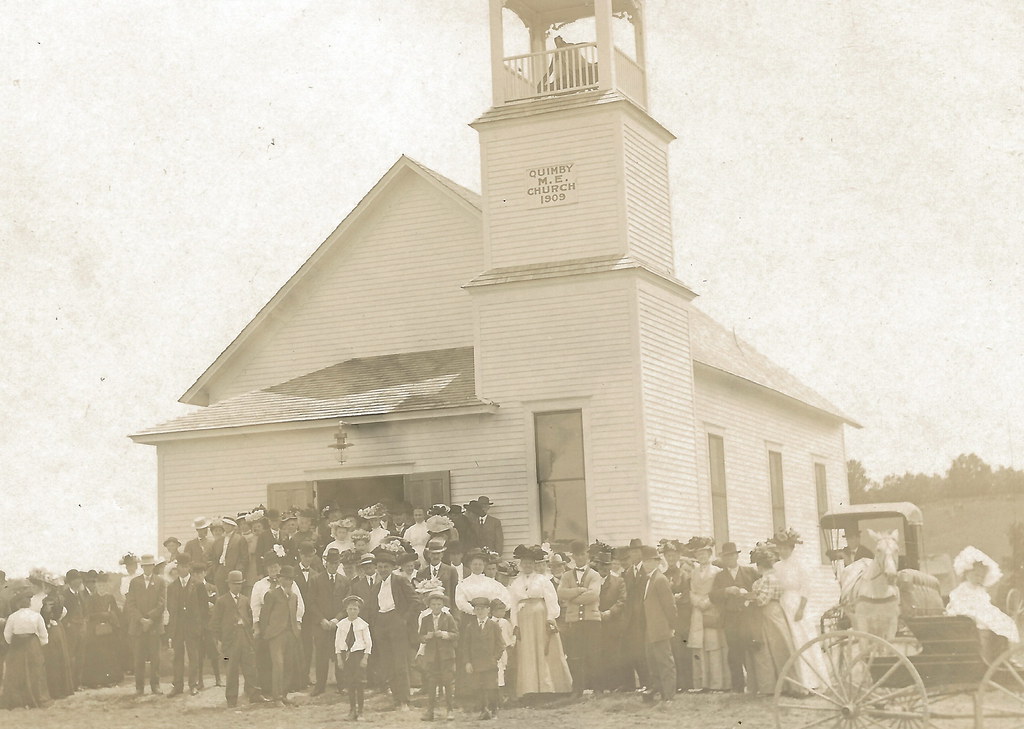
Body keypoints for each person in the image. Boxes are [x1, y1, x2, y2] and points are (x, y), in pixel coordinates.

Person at [507, 545, 572, 696]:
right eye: (525, 563)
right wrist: (515, 624)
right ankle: (529, 689)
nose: (527, 566)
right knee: (527, 652)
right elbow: (513, 605)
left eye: (530, 563)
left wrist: (550, 618)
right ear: (521, 565)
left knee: (544, 650)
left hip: (541, 618)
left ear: (534, 564)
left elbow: (551, 600)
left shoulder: (542, 580)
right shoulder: (516, 583)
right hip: (524, 621)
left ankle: (547, 687)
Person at [770, 528, 828, 689]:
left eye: (785, 548)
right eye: (780, 548)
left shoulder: (800, 564)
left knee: (802, 638)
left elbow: (806, 588)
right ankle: (794, 681)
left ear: (791, 548)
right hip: (783, 604)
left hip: (797, 604)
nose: (782, 551)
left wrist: (801, 609)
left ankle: (811, 681)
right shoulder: (777, 566)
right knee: (788, 640)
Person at [947, 546, 1020, 661]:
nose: (979, 579)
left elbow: (985, 604)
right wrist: (973, 612)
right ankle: (987, 658)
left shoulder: (980, 590)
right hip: (969, 615)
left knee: (1006, 623)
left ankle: (1005, 656)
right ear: (966, 573)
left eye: (981, 576)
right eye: (976, 575)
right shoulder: (963, 589)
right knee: (985, 625)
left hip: (981, 613)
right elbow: (958, 603)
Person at [366, 548, 417, 711]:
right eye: (380, 567)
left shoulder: (400, 581)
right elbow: (373, 608)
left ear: (392, 567)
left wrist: (404, 619)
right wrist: (376, 625)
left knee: (400, 663)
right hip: (382, 624)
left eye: (386, 567)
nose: (382, 570)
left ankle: (405, 700)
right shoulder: (376, 587)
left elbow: (415, 601)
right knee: (388, 664)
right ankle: (396, 699)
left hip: (397, 622)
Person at [746, 543, 796, 694]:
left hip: (767, 613)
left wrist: (748, 597)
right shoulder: (775, 578)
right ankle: (786, 684)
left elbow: (762, 600)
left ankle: (770, 686)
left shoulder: (767, 580)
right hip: (776, 613)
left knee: (767, 650)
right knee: (780, 648)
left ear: (761, 565)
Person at [210, 570, 265, 706]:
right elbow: (215, 624)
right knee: (231, 670)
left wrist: (249, 632)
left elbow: (250, 618)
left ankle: (254, 694)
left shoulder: (245, 600)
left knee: (250, 667)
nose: (237, 586)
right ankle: (231, 698)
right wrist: (220, 640)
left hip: (245, 638)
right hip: (230, 641)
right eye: (234, 584)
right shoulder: (221, 601)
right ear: (229, 584)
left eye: (239, 584)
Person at [710, 541, 759, 693]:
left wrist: (749, 596)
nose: (729, 559)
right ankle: (738, 686)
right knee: (733, 652)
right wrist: (726, 591)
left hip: (747, 617)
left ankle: (755, 684)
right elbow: (712, 596)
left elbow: (760, 589)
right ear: (723, 559)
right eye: (726, 557)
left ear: (737, 556)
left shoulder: (749, 572)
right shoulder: (720, 576)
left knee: (750, 650)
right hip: (729, 619)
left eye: (732, 555)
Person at [557, 540, 602, 695]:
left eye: (583, 554)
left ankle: (597, 688)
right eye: (577, 555)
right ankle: (578, 689)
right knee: (575, 655)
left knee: (594, 654)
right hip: (574, 621)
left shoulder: (595, 575)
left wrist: (572, 598)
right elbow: (561, 593)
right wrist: (579, 590)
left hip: (592, 620)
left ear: (587, 555)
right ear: (573, 557)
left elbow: (593, 595)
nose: (580, 557)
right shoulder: (566, 575)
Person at [687, 537, 729, 691]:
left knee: (713, 646)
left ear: (710, 554)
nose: (701, 556)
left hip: (712, 610)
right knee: (699, 646)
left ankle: (717, 684)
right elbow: (691, 591)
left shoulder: (717, 571)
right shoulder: (693, 572)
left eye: (704, 553)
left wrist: (707, 602)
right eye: (699, 554)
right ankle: (701, 683)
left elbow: (718, 591)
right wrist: (697, 602)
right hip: (698, 611)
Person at [307, 548, 350, 695]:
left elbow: (347, 604)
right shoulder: (315, 580)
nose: (333, 566)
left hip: (339, 625)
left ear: (339, 564)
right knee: (321, 656)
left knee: (340, 653)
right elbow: (311, 603)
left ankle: (342, 685)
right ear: (326, 564)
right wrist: (322, 620)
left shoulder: (344, 581)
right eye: (331, 563)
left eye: (336, 563)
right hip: (321, 625)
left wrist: (337, 619)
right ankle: (320, 686)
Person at [166, 556, 209, 696]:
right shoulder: (172, 587)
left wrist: (200, 626)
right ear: (177, 567)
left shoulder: (198, 585)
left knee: (193, 656)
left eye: (185, 566)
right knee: (177, 656)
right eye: (180, 566)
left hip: (193, 626)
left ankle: (193, 685)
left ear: (189, 567)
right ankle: (177, 686)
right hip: (178, 627)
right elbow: (170, 607)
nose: (183, 569)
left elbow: (204, 609)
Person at [261, 565, 302, 706]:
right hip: (276, 635)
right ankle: (277, 697)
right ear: (280, 579)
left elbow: (294, 615)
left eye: (291, 579)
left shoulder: (294, 597)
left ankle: (284, 694)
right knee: (278, 665)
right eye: (286, 578)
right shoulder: (271, 595)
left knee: (289, 665)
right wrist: (267, 633)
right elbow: (264, 616)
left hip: (291, 634)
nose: (288, 582)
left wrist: (295, 631)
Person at [2, 590, 51, 709]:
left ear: (18, 604)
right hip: (32, 645)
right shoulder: (36, 616)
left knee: (17, 672)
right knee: (35, 671)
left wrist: (13, 643)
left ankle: (18, 700)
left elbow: (7, 635)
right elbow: (44, 635)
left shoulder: (13, 617)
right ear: (29, 603)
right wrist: (39, 644)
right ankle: (36, 698)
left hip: (17, 645)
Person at [641, 545, 677, 703]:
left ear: (657, 562)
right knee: (653, 663)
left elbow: (670, 606)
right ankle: (660, 691)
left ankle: (669, 695)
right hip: (651, 629)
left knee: (665, 663)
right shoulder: (649, 579)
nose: (647, 564)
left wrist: (671, 626)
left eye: (650, 561)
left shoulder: (660, 579)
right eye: (645, 561)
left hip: (660, 629)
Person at [125, 554, 165, 696]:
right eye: (145, 566)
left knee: (155, 658)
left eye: (150, 565)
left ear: (154, 566)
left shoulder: (160, 581)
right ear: (142, 567)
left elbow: (161, 603)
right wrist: (141, 620)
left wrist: (150, 619)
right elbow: (131, 604)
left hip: (154, 625)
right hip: (138, 626)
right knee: (139, 658)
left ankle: (155, 685)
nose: (148, 568)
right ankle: (139, 687)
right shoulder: (134, 582)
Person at [418, 589, 459, 721]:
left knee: (447, 682)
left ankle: (450, 710)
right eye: (433, 604)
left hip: (446, 656)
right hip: (432, 656)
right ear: (429, 605)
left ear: (442, 605)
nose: (436, 607)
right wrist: (427, 636)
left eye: (439, 604)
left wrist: (445, 634)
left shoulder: (448, 617)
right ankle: (430, 712)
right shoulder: (426, 619)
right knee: (431, 683)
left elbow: (456, 634)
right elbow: (420, 637)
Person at [461, 596, 505, 719]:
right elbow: (466, 646)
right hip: (476, 663)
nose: (480, 611)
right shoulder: (470, 627)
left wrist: (494, 658)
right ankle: (483, 710)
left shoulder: (493, 625)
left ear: (488, 610)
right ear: (474, 611)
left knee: (491, 687)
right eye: (477, 609)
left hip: (490, 663)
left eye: (483, 609)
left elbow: (500, 645)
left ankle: (493, 709)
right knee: (477, 687)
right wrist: (468, 662)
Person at [592, 544, 627, 692]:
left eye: (607, 565)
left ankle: (614, 686)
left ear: (611, 566)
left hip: (613, 624)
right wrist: (595, 613)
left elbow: (622, 600)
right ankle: (599, 687)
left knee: (613, 655)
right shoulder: (591, 581)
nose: (604, 568)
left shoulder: (618, 581)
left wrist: (610, 612)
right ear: (597, 566)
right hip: (596, 624)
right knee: (597, 655)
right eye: (601, 565)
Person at [81, 570, 124, 689]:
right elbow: (88, 614)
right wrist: (101, 614)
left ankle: (110, 679)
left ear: (107, 586)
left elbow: (115, 612)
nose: (101, 587)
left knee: (109, 654)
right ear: (96, 585)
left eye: (103, 585)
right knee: (96, 655)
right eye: (99, 585)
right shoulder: (91, 598)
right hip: (95, 630)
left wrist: (111, 615)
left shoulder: (110, 597)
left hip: (108, 629)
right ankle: (96, 680)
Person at [335, 594, 372, 720]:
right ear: (346, 610)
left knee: (360, 683)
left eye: (355, 609)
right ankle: (352, 710)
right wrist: (339, 659)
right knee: (350, 683)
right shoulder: (341, 625)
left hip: (359, 655)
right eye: (350, 609)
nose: (352, 611)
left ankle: (360, 711)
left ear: (359, 610)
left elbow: (368, 643)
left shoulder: (363, 625)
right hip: (347, 656)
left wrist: (365, 658)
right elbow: (337, 643)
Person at [454, 550, 511, 626]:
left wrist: (494, 611)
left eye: (480, 564)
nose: (477, 566)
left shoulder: (493, 583)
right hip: (470, 619)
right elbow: (460, 602)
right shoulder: (463, 584)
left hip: (489, 618)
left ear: (484, 566)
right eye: (475, 564)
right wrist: (475, 611)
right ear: (470, 565)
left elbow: (506, 598)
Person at [622, 538, 649, 691]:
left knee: (644, 651)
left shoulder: (646, 571)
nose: (634, 555)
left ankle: (647, 682)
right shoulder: (628, 573)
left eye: (637, 551)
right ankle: (636, 684)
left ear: (642, 553)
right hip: (631, 619)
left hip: (644, 617)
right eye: (632, 552)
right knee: (633, 651)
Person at [294, 541, 322, 687]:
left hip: (310, 617)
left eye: (310, 556)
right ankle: (296, 678)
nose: (307, 559)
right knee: (296, 647)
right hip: (296, 615)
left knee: (308, 647)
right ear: (300, 555)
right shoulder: (292, 572)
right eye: (305, 556)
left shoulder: (315, 574)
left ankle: (305, 677)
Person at [61, 569, 87, 692]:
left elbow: (84, 610)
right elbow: (61, 613)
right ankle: (70, 684)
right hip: (71, 630)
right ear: (70, 581)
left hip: (81, 628)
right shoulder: (65, 596)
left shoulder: (80, 594)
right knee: (70, 656)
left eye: (80, 578)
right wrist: (68, 624)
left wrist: (84, 622)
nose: (80, 581)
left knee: (80, 656)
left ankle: (78, 683)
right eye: (77, 579)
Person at [211, 516, 250, 595]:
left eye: (228, 525)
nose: (226, 527)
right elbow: (214, 557)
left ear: (233, 526)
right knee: (221, 594)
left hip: (233, 569)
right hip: (221, 570)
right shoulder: (219, 540)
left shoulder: (239, 539)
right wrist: (216, 570)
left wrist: (238, 571)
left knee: (234, 593)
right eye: (225, 524)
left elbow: (244, 558)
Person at [491, 598, 515, 705]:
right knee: (497, 672)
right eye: (499, 610)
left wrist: (512, 643)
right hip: (494, 651)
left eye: (503, 610)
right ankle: (498, 697)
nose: (502, 612)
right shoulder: (490, 623)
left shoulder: (505, 622)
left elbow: (510, 634)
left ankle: (507, 695)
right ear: (493, 611)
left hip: (505, 649)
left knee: (506, 670)